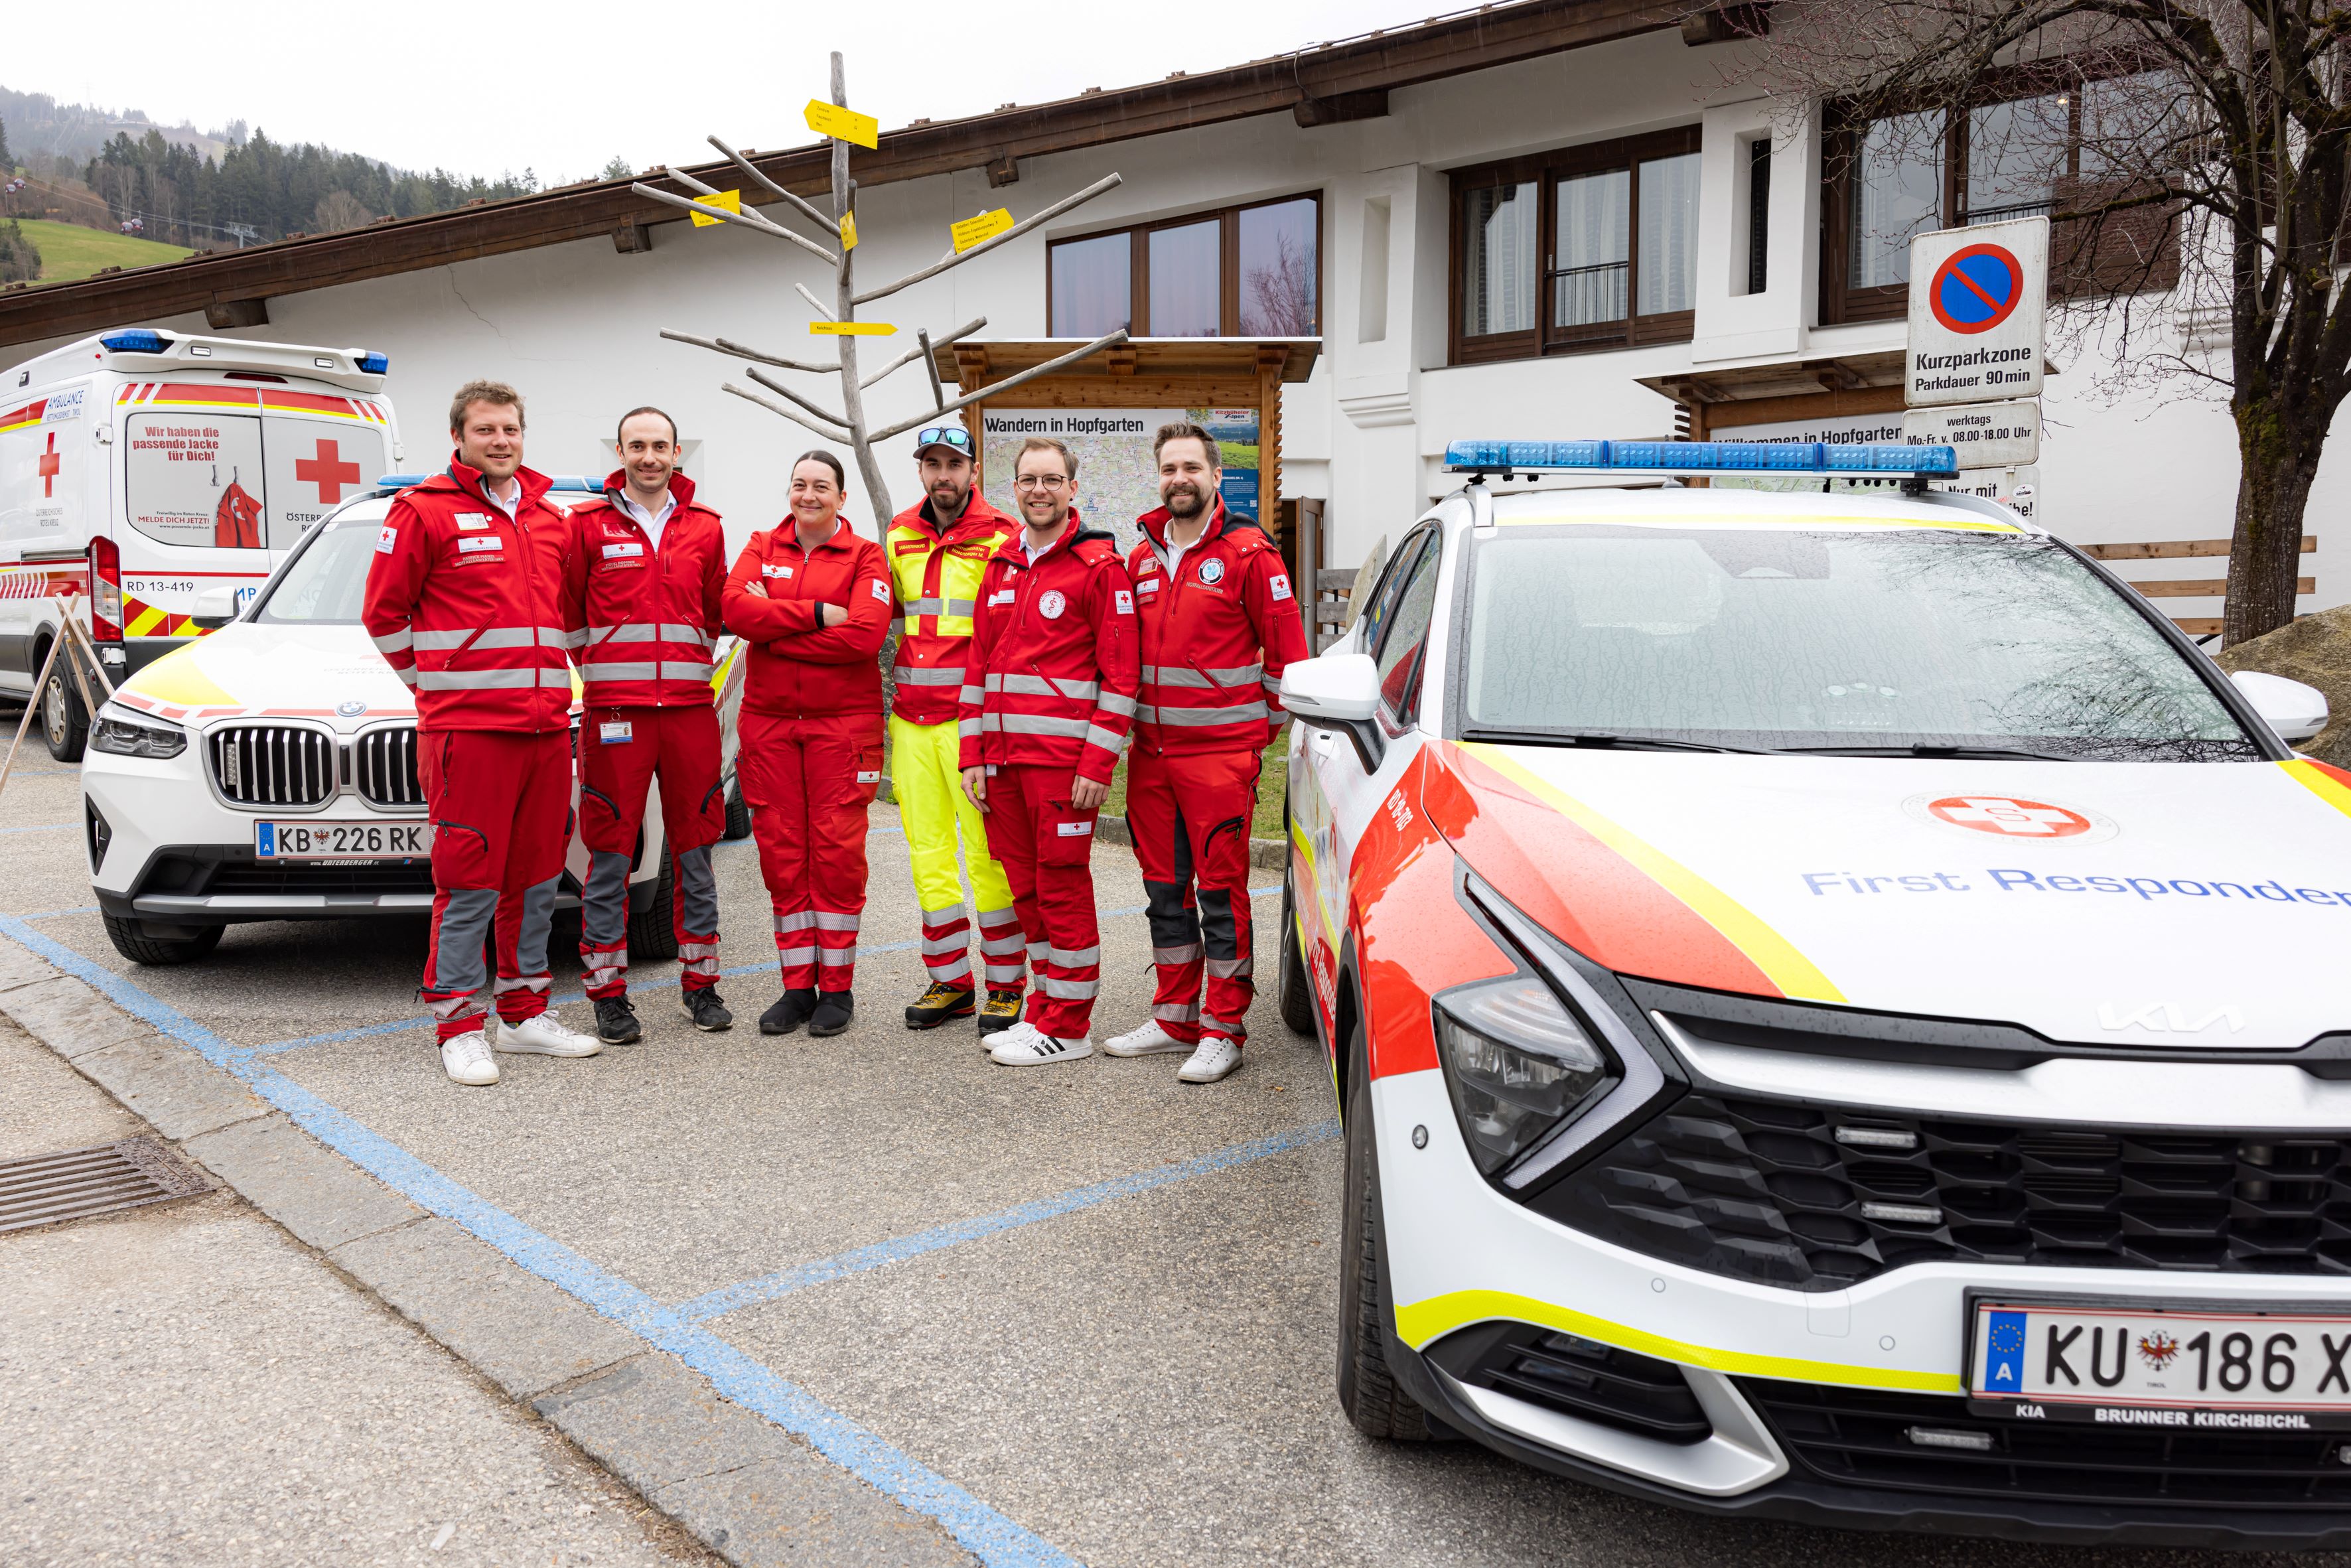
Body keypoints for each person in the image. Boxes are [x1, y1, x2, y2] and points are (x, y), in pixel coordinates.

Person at [363, 380, 603, 1086]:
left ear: (523, 435)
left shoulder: (550, 516)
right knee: (468, 881)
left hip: (543, 731)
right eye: (486, 430)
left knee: (533, 880)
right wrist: (438, 688)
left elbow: (565, 621)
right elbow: (383, 617)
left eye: (510, 429)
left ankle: (525, 1014)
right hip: (468, 733)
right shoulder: (423, 512)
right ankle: (460, 1024)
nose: (500, 440)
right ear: (459, 438)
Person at [1104, 422, 1310, 1084]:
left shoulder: (1251, 554)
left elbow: (1288, 664)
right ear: (1159, 478)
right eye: (1169, 468)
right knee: (1165, 894)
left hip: (1220, 759)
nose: (1179, 478)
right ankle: (1173, 1017)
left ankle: (1223, 1027)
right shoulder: (1137, 560)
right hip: (1153, 760)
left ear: (1216, 476)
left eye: (1192, 466)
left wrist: (1255, 732)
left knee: (1219, 894)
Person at [959, 437, 1139, 1066]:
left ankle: (1069, 1025)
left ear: (1072, 490)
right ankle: (1042, 1009)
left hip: (1063, 767)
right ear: (1014, 488)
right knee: (1026, 889)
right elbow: (978, 665)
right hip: (1003, 764)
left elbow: (1121, 678)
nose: (1039, 490)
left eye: (1052, 480)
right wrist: (972, 755)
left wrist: (1098, 763)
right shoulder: (1001, 565)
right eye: (1028, 479)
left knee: (1060, 887)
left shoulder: (1098, 568)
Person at [564, 407, 733, 1043]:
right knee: (609, 854)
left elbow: (713, 614)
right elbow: (570, 616)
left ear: (675, 452)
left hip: (688, 713)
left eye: (659, 446)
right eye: (637, 446)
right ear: (620, 450)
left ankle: (703, 986)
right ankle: (608, 995)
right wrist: (608, 674)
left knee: (697, 851)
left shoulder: (707, 528)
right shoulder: (586, 526)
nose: (649, 457)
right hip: (617, 714)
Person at [722, 451, 892, 1037]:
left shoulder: (867, 556)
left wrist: (773, 633)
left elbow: (865, 636)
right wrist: (819, 612)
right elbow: (733, 608)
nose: (809, 494)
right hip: (769, 725)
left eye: (822, 486)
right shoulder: (761, 545)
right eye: (799, 484)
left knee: (837, 853)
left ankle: (837, 990)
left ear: (842, 498)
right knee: (783, 852)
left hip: (842, 725)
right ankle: (797, 987)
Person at [883, 422, 1027, 1035]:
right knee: (927, 856)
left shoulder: (1004, 535)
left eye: (954, 464)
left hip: (972, 722)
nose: (943, 475)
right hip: (911, 720)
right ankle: (950, 979)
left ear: (973, 471)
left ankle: (1005, 984)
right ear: (921, 470)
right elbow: (883, 616)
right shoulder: (898, 535)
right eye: (932, 464)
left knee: (989, 858)